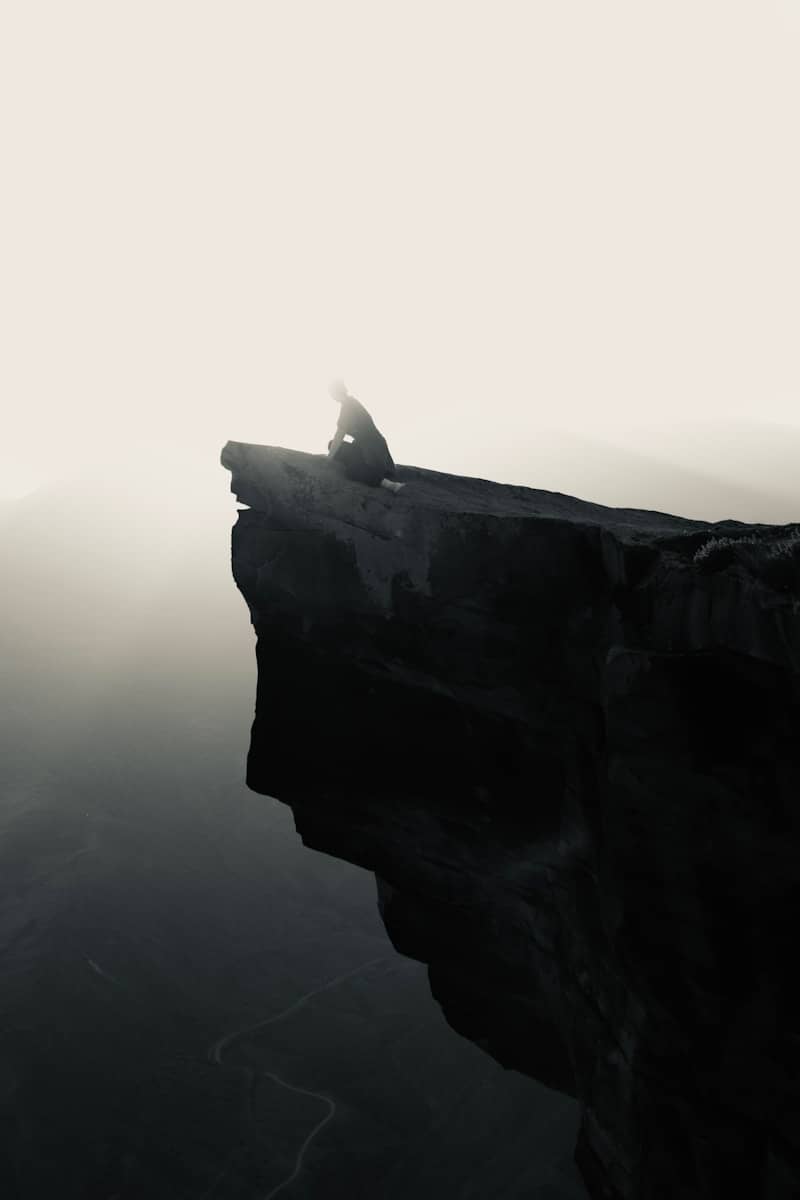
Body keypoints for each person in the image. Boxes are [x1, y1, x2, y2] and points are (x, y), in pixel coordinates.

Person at [327, 380, 405, 493]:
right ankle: (380, 473)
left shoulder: (348, 405)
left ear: (334, 392)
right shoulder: (351, 402)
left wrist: (328, 459)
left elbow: (340, 434)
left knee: (352, 470)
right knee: (332, 445)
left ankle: (389, 485)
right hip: (369, 447)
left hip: (372, 450)